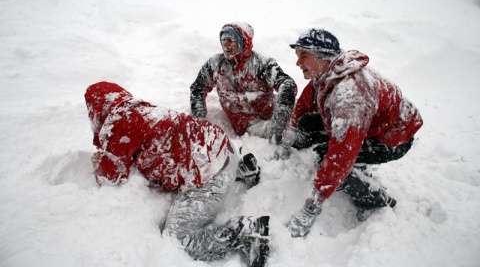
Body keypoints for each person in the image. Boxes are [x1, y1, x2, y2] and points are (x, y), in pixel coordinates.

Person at [85, 81, 270, 267]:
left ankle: (244, 232)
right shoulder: (142, 109)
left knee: (178, 238)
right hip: (222, 145)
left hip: (209, 174)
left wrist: (99, 159)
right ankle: (242, 168)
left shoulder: (115, 128)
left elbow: (109, 177)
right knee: (187, 150)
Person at [276, 29, 423, 237]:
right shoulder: (326, 71)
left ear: (323, 58)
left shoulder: (352, 94)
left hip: (392, 137)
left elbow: (341, 156)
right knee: (307, 122)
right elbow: (306, 100)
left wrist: (312, 207)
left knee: (324, 158)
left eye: (303, 56)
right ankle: (352, 162)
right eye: (298, 56)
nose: (298, 63)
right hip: (364, 123)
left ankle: (376, 199)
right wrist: (290, 132)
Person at [190, 22, 297, 144]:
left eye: (231, 40)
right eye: (223, 39)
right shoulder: (215, 64)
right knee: (287, 137)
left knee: (302, 129)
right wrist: (199, 117)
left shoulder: (262, 64)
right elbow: (197, 89)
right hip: (250, 126)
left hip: (274, 115)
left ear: (243, 41)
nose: (225, 44)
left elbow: (287, 84)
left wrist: (281, 116)